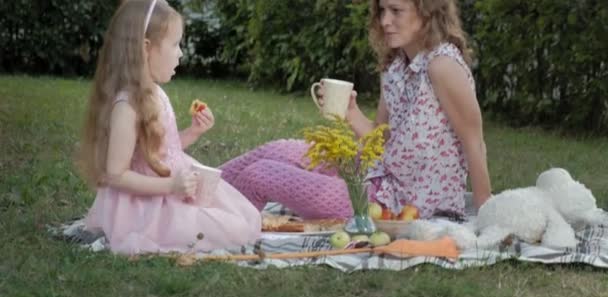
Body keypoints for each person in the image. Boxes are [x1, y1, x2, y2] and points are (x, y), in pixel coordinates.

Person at [220, 0, 491, 220]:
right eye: (382, 10)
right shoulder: (396, 65)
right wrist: (350, 112)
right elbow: (379, 137)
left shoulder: (442, 66)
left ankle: (216, 223)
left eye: (396, 11)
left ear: (427, 11)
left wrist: (485, 216)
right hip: (373, 174)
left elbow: (474, 142)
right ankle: (191, 182)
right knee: (276, 151)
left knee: (262, 174)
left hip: (401, 204)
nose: (385, 21)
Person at [77, 0, 260, 255]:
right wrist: (170, 187)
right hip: (145, 205)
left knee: (244, 217)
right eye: (175, 44)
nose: (181, 53)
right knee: (230, 229)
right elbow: (115, 175)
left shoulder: (155, 93)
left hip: (172, 187)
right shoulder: (127, 105)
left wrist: (192, 132)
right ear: (145, 49)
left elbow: (160, 151)